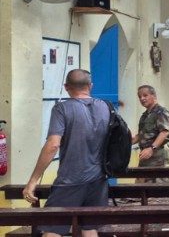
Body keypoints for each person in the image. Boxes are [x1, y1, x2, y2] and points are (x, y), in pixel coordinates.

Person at [23, 69, 110, 237]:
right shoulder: (106, 106)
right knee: (89, 228)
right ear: (90, 86)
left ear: (66, 87)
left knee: (52, 228)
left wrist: (33, 180)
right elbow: (126, 137)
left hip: (70, 180)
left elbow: (53, 145)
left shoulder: (62, 108)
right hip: (98, 180)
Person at [132, 85, 169, 182]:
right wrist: (129, 140)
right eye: (140, 97)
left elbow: (164, 132)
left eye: (145, 95)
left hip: (158, 155)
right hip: (145, 155)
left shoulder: (161, 112)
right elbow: (142, 134)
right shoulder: (145, 115)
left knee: (158, 189)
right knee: (141, 189)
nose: (142, 98)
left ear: (153, 96)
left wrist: (152, 148)